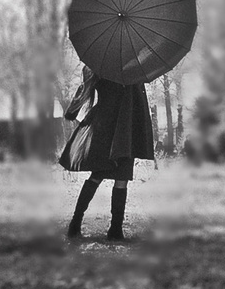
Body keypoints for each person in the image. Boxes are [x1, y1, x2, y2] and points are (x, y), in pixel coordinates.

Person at [61, 63, 157, 244]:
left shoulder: (104, 64)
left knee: (107, 176)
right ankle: (92, 226)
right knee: (105, 175)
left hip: (116, 127)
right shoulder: (128, 66)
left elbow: (85, 91)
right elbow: (87, 90)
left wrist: (71, 113)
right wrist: (72, 113)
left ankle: (107, 228)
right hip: (116, 128)